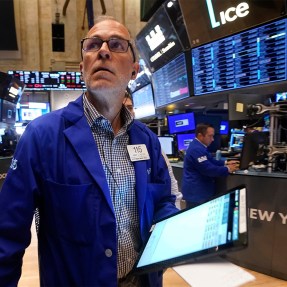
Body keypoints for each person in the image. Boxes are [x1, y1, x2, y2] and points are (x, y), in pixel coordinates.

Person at [0, 15, 178, 287]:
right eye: (93, 45)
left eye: (117, 45)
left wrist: (174, 233)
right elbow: (7, 234)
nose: (103, 51)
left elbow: (163, 200)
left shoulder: (147, 141)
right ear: (83, 66)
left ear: (133, 70)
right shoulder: (42, 136)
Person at [123, 91, 183, 209]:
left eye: (129, 108)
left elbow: (171, 189)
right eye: (120, 108)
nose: (125, 113)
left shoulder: (148, 139)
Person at [181, 123, 239, 208]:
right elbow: (208, 169)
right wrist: (227, 169)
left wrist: (226, 163)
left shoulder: (200, 146)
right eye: (210, 136)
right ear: (200, 135)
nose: (212, 139)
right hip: (196, 193)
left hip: (199, 192)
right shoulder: (196, 149)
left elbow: (211, 161)